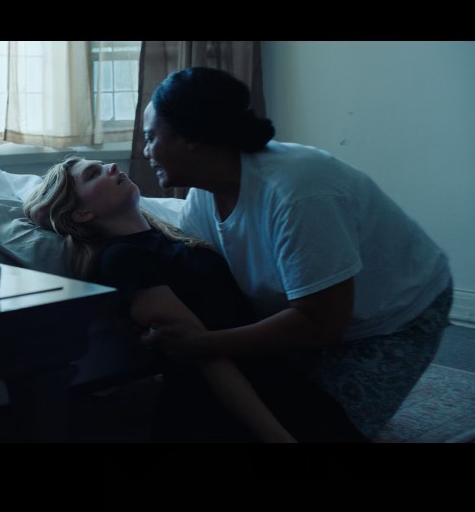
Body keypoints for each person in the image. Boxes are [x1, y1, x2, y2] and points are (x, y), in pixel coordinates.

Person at [138, 66, 453, 440]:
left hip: (394, 317)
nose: (146, 151)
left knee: (317, 427)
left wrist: (204, 345)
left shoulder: (300, 193)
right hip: (305, 315)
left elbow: (322, 324)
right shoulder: (202, 198)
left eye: (151, 137)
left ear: (192, 136)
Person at [23, 155, 367, 442]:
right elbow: (204, 356)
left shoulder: (176, 237)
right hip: (223, 402)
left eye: (102, 165)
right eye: (93, 174)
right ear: (82, 214)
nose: (112, 167)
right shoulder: (122, 258)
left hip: (275, 378)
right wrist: (277, 436)